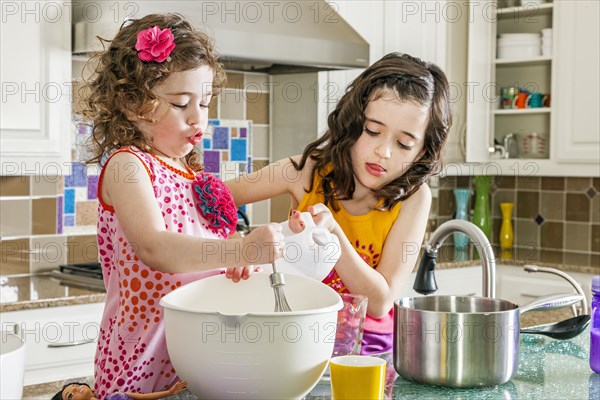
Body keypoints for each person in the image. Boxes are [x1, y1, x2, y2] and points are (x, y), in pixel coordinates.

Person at [82, 13, 283, 397]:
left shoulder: (190, 174)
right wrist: (239, 247)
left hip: (194, 364)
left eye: (204, 103)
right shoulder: (128, 165)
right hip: (139, 368)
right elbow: (156, 247)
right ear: (132, 103)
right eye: (180, 104)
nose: (197, 117)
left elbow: (202, 252)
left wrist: (241, 259)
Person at [226, 52, 451, 354]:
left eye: (403, 144)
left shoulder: (414, 198)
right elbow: (207, 197)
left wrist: (333, 234)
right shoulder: (305, 171)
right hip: (295, 338)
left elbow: (380, 301)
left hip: (367, 347)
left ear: (422, 152)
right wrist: (237, 244)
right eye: (372, 131)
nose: (383, 151)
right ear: (352, 122)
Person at [51, 381, 187, 400]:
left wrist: (170, 392)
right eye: (70, 395)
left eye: (74, 385)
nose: (75, 389)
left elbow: (144, 397)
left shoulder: (116, 396)